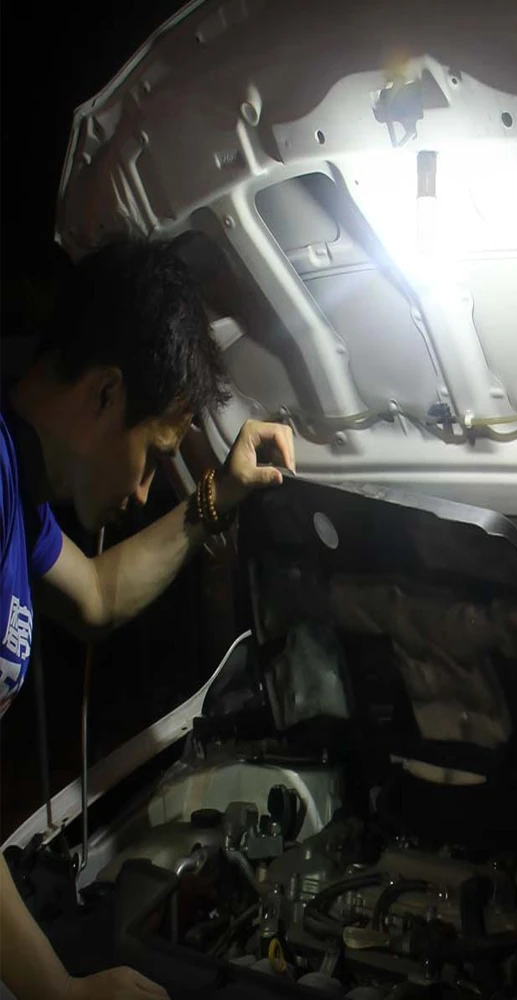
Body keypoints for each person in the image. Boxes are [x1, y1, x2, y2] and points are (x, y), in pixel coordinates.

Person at [0, 238, 297, 999]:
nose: (141, 492)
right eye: (154, 453)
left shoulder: (18, 491)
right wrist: (61, 994)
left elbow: (98, 593)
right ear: (106, 393)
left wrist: (220, 492)